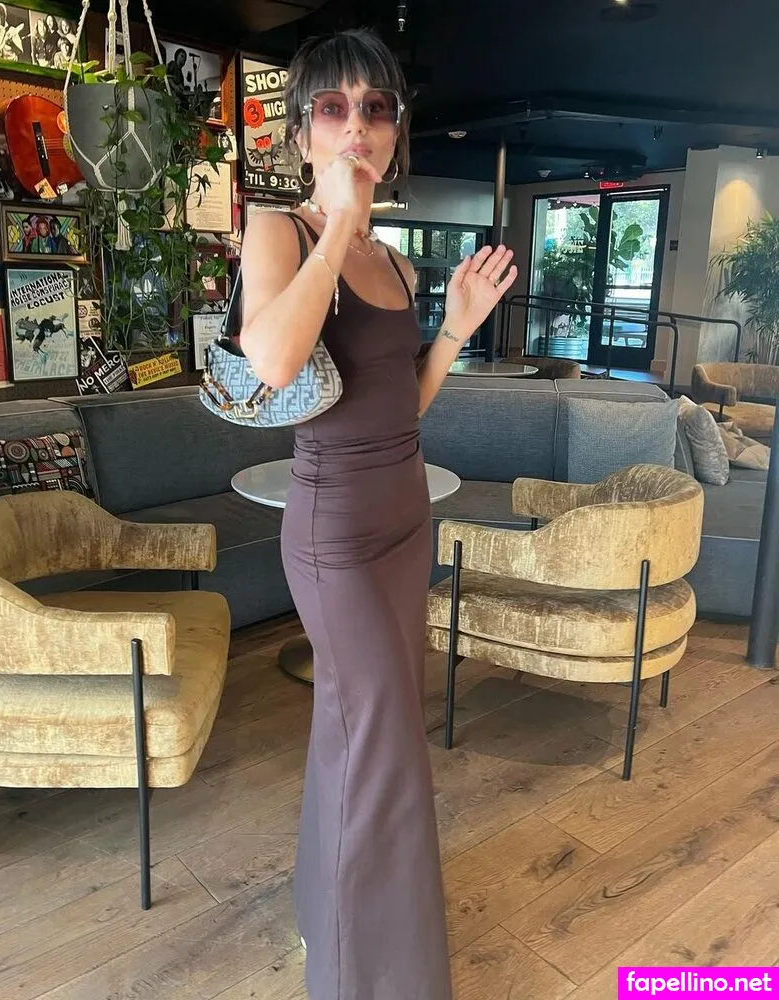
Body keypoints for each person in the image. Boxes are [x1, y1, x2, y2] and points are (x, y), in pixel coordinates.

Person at [237, 27, 517, 1000]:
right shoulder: (280, 232)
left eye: (377, 108)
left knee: (351, 736)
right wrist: (336, 227)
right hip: (334, 537)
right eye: (334, 107)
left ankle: (325, 913)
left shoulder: (397, 264)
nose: (357, 125)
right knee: (388, 753)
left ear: (395, 133)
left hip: (405, 525)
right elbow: (274, 362)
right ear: (302, 133)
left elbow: (404, 407)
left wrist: (454, 331)